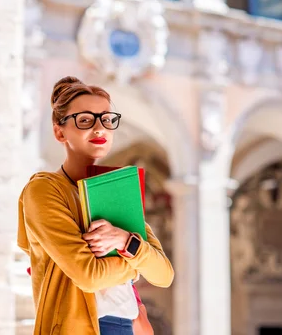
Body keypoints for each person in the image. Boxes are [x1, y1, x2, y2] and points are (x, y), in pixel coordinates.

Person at [17, 76, 174, 335]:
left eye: (107, 119)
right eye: (85, 120)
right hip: (77, 327)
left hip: (129, 327)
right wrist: (136, 263)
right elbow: (88, 276)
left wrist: (125, 241)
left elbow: (164, 275)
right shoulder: (44, 189)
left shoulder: (116, 191)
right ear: (59, 131)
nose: (100, 129)